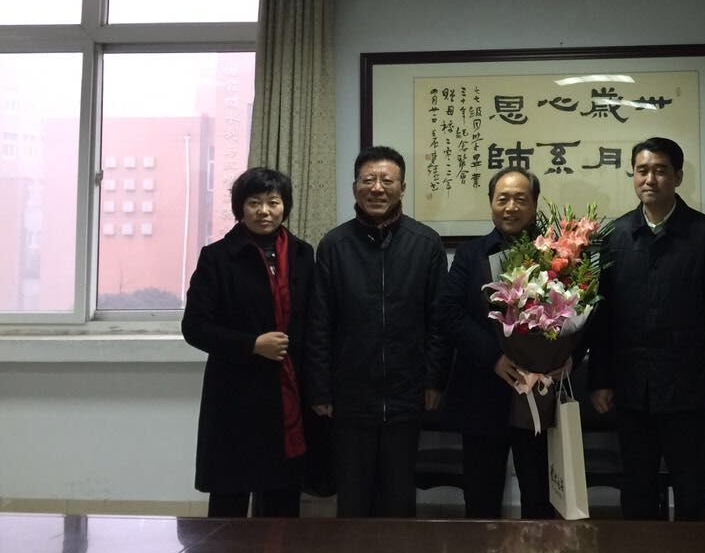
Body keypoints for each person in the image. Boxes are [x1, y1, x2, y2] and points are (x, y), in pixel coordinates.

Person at [589, 137, 705, 521]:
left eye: (660, 171)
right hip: (632, 388)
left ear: (678, 177)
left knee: (691, 488)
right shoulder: (616, 235)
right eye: (642, 171)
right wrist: (600, 380)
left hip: (688, 388)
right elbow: (602, 318)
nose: (650, 179)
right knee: (636, 488)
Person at [307, 145, 448, 518]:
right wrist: (320, 388)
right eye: (368, 180)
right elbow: (320, 323)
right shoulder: (334, 246)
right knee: (353, 499)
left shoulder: (426, 243)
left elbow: (439, 320)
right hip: (350, 396)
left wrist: (434, 379)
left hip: (407, 393)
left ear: (403, 188)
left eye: (387, 180)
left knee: (398, 498)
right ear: (354, 187)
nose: (377, 188)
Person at [182, 167, 314, 518]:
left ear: (285, 206)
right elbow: (194, 327)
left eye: (273, 202)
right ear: (240, 208)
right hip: (235, 395)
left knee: (282, 502)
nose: (264, 211)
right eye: (254, 202)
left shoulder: (302, 254)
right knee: (230, 504)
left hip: (288, 394)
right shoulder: (217, 257)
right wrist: (252, 344)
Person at [436, 166, 559, 519]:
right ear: (491, 202)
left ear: (535, 204)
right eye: (502, 198)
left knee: (539, 496)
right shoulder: (470, 254)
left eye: (521, 199)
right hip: (482, 390)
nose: (511, 207)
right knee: (481, 496)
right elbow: (449, 312)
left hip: (537, 393)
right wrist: (494, 358)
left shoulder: (554, 256)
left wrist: (560, 359)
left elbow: (574, 315)